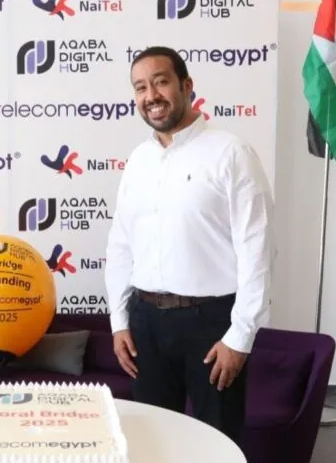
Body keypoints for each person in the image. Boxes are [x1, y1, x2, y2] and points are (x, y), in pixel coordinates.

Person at [104, 46, 274, 444]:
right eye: (140, 87)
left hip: (211, 325)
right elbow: (121, 245)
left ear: (186, 85)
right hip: (145, 322)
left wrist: (240, 337)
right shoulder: (138, 160)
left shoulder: (231, 153)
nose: (152, 96)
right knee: (150, 440)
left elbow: (258, 250)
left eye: (161, 81)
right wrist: (119, 321)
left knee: (217, 442)